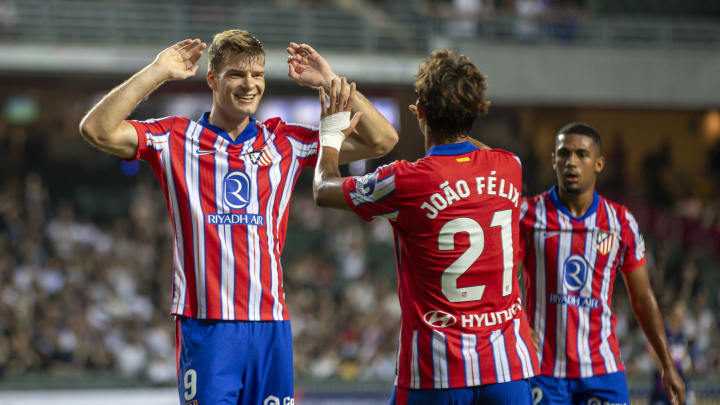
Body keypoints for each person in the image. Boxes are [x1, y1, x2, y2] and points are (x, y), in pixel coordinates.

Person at [78, 30, 397, 405]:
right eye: (237, 75)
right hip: (208, 327)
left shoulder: (285, 141)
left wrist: (330, 79)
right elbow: (95, 129)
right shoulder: (175, 138)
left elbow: (383, 140)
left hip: (271, 327)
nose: (249, 85)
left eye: (257, 75)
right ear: (212, 80)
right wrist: (157, 71)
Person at [312, 50, 539, 405]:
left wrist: (331, 133)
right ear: (476, 110)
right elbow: (478, 151)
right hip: (508, 368)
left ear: (419, 112)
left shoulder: (405, 180)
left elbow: (323, 189)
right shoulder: (510, 167)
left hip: (435, 372)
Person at [518, 122, 686, 405]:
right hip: (542, 370)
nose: (571, 162)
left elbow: (643, 298)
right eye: (563, 154)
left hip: (602, 371)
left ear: (599, 164)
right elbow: (503, 280)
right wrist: (519, 322)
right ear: (553, 161)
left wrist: (667, 365)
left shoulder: (620, 222)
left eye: (581, 155)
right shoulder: (527, 214)